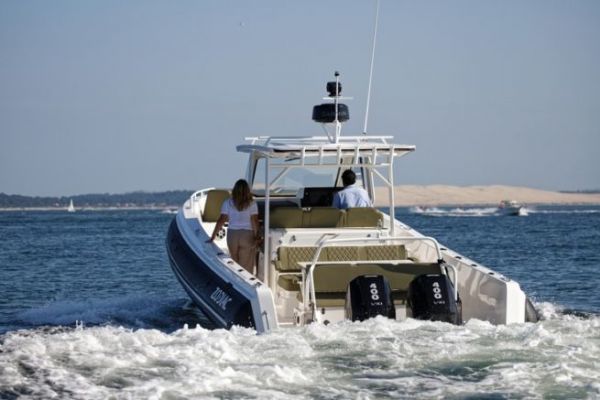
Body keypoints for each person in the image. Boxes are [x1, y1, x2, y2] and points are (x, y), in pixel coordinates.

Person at [208, 179, 260, 274]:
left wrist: (213, 237)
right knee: (246, 267)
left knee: (235, 263)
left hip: (232, 235)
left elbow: (221, 220)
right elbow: (254, 221)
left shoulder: (227, 203)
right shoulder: (252, 204)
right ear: (247, 190)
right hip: (247, 235)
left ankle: (236, 282)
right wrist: (256, 237)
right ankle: (245, 286)